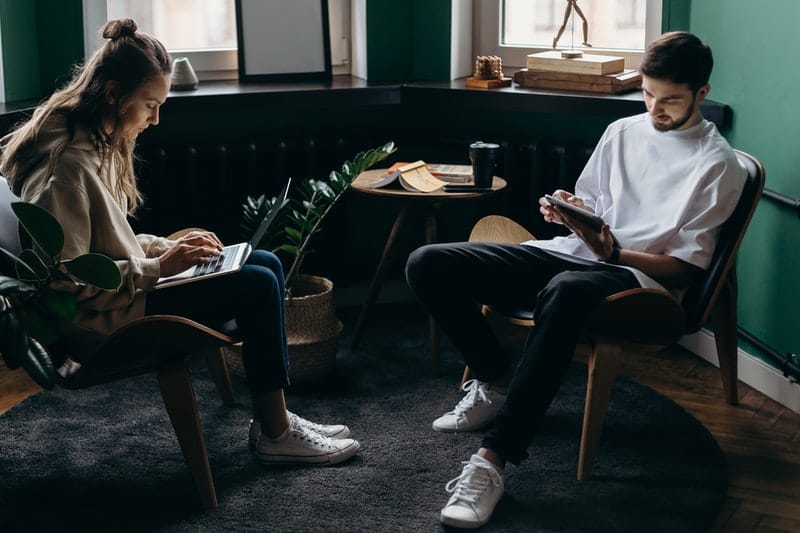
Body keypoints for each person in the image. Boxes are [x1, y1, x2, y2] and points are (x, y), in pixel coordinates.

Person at [405, 31, 746, 529]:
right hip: (576, 256)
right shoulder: (623, 132)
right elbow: (595, 205)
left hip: (637, 282)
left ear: (702, 92)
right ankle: (495, 376)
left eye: (670, 99)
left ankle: (493, 460)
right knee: (427, 262)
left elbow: (685, 269)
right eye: (649, 95)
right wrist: (570, 212)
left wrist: (616, 252)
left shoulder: (718, 165)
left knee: (562, 291)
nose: (655, 109)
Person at [0, 18, 359, 466]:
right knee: (257, 285)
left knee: (264, 262)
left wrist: (165, 247)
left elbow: (108, 242)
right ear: (113, 94)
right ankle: (276, 431)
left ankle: (276, 417)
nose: (155, 118)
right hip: (106, 322)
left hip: (125, 296)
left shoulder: (91, 142)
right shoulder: (66, 169)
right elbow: (67, 282)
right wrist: (158, 268)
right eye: (149, 104)